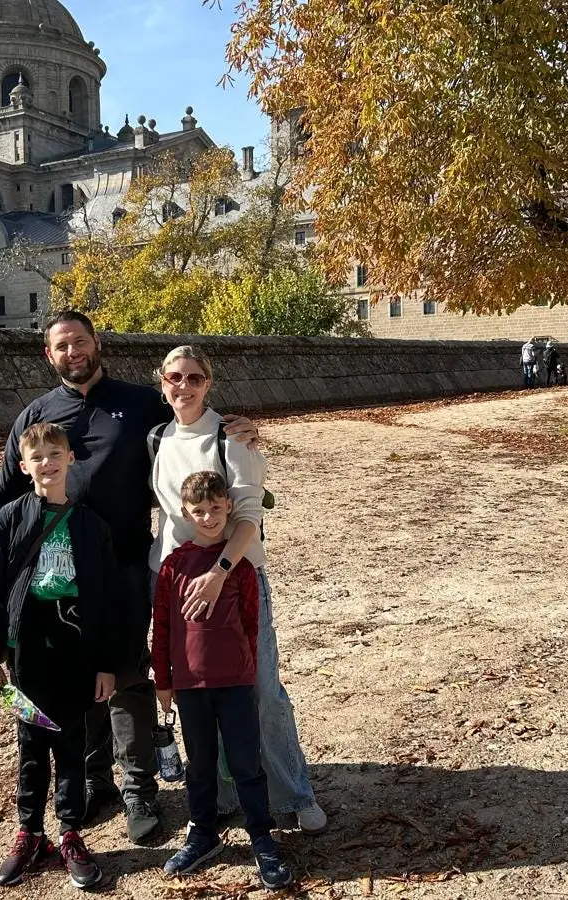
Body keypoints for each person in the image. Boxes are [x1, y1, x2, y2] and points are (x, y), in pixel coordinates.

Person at [0, 310, 257, 844]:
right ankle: (92, 781)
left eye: (80, 342)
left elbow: (191, 418)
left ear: (96, 343)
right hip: (57, 579)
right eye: (61, 346)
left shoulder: (139, 402)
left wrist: (238, 428)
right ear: (49, 355)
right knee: (72, 681)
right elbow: (2, 498)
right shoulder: (36, 416)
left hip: (127, 567)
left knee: (126, 676)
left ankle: (138, 789)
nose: (73, 353)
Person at [148, 345, 328, 836]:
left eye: (194, 378)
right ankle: (227, 793)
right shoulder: (157, 437)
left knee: (262, 689)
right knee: (205, 694)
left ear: (209, 383)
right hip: (181, 579)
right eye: (174, 377)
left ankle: (293, 791)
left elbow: (249, 516)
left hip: (232, 578)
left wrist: (220, 572)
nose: (183, 386)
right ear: (161, 382)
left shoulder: (231, 438)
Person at [0, 423, 119, 889]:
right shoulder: (10, 519)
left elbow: (109, 598)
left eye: (56, 455)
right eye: (37, 458)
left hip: (76, 647)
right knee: (31, 744)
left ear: (70, 458)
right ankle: (30, 831)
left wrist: (107, 663)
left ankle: (71, 830)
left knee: (72, 743)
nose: (47, 464)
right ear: (23, 466)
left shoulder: (91, 525)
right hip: (25, 651)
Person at [153, 471, 293, 890]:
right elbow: (161, 628)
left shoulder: (241, 566)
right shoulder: (173, 566)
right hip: (191, 686)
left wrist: (246, 670)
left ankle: (262, 836)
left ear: (228, 507)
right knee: (200, 765)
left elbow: (252, 622)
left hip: (234, 682)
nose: (209, 517)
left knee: (246, 762)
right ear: (185, 513)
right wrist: (164, 680)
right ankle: (203, 833)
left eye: (216, 508)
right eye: (199, 511)